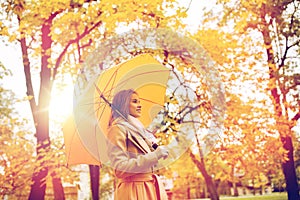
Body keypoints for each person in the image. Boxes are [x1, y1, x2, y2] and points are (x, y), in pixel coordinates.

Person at [106, 89, 169, 200]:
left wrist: (154, 148)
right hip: (134, 192)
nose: (139, 105)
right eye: (135, 101)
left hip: (149, 189)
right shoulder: (116, 130)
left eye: (139, 102)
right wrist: (154, 156)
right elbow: (120, 169)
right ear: (124, 105)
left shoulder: (139, 130)